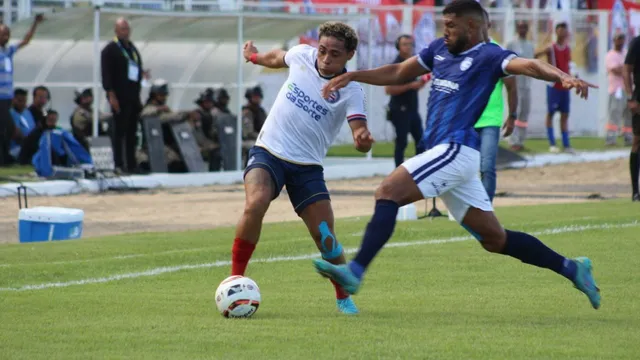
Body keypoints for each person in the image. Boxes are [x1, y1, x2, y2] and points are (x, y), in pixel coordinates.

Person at [312, 0, 600, 311]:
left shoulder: (489, 55)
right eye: (443, 25)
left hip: (455, 149)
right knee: (495, 239)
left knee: (387, 191)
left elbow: (529, 65)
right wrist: (354, 76)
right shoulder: (438, 49)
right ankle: (573, 268)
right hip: (447, 156)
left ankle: (354, 273)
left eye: (451, 26)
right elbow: (398, 71)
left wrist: (561, 76)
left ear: (472, 27)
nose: (444, 31)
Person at [231, 21, 373, 315]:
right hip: (269, 151)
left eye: (334, 53)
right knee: (255, 203)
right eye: (322, 50)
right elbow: (276, 58)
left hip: (307, 167)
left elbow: (360, 133)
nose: (325, 58)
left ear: (349, 55)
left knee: (326, 236)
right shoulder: (301, 56)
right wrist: (254, 57)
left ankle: (343, 297)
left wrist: (362, 140)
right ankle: (235, 278)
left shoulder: (352, 90)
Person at [474, 10, 517, 202]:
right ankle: (466, 207)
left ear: (488, 26)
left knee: (487, 167)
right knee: (461, 168)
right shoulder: (462, 51)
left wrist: (513, 115)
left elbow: (511, 86)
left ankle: (485, 210)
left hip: (490, 120)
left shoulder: (498, 53)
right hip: (465, 120)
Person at [101, 17, 144, 173]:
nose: (126, 32)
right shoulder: (110, 50)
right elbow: (106, 75)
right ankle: (118, 164)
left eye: (127, 29)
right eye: (123, 29)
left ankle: (131, 164)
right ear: (116, 31)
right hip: (119, 98)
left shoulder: (131, 48)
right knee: (119, 132)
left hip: (133, 97)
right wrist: (111, 96)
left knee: (132, 132)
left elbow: (136, 69)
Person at [0, 14, 44, 166]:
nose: (6, 37)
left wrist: (35, 24)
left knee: (6, 128)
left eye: (8, 34)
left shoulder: (8, 51)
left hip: (6, 97)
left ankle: (5, 159)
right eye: (3, 34)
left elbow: (25, 41)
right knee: (9, 127)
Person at [386, 34, 427, 167]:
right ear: (398, 46)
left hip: (413, 109)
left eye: (410, 44)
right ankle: (398, 170)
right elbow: (389, 89)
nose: (408, 47)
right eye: (405, 44)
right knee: (402, 141)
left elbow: (415, 86)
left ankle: (418, 170)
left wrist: (422, 83)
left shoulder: (413, 63)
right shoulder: (395, 65)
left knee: (421, 141)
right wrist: (410, 86)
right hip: (399, 109)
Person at [535, 22, 575, 154]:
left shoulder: (567, 48)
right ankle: (552, 143)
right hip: (554, 85)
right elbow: (535, 55)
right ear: (556, 32)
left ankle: (566, 143)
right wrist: (544, 42)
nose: (562, 32)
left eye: (564, 30)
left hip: (564, 86)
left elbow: (568, 65)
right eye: (560, 30)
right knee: (550, 113)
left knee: (565, 115)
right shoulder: (550, 47)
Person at [506, 21, 534, 152]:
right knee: (515, 111)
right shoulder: (511, 44)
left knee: (524, 112)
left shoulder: (530, 45)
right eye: (520, 27)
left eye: (525, 27)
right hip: (515, 84)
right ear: (517, 28)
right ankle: (513, 140)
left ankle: (521, 140)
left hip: (527, 84)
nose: (522, 29)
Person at [605, 33, 632, 146]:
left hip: (628, 88)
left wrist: (624, 69)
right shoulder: (611, 55)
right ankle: (610, 138)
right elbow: (615, 70)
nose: (620, 42)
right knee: (615, 112)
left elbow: (630, 68)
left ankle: (628, 137)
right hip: (616, 89)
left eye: (622, 39)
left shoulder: (626, 53)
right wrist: (625, 69)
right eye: (618, 39)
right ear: (614, 41)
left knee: (628, 113)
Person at [623, 34, 640, 202]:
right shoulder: (637, 42)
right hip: (639, 98)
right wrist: (630, 96)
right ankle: (635, 191)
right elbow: (626, 68)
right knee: (637, 140)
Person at [9, 88, 36, 159]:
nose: (23, 103)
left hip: (30, 144)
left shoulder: (27, 112)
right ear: (13, 100)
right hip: (16, 149)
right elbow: (17, 135)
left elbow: (33, 129)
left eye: (24, 101)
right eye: (20, 101)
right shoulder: (10, 114)